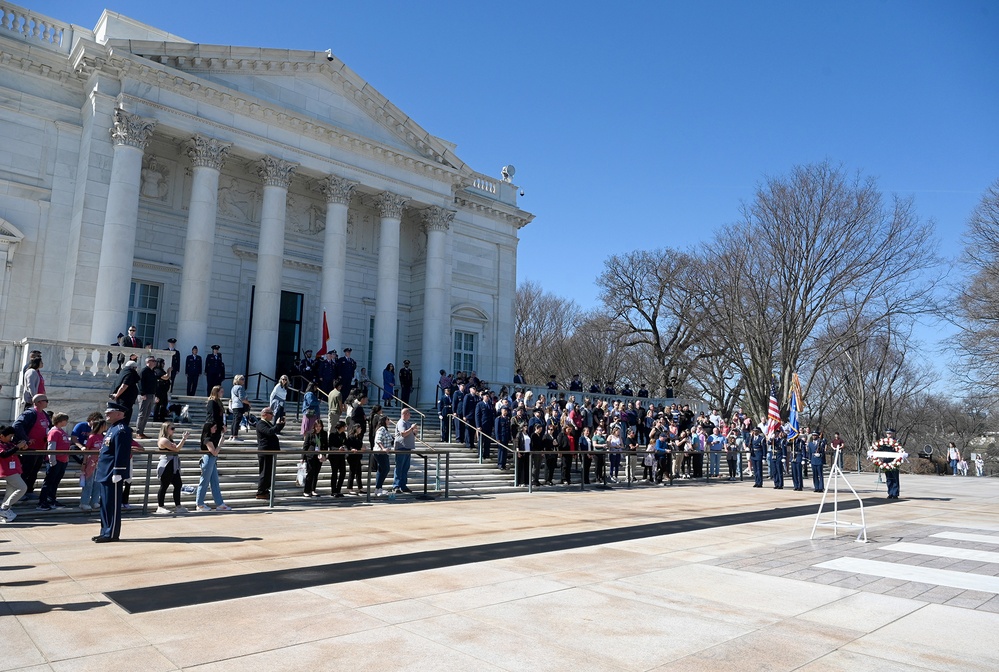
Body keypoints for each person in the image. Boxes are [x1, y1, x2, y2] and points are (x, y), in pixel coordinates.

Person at [93, 401, 132, 542]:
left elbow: (121, 452)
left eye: (110, 412)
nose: (106, 414)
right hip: (105, 471)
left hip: (113, 472)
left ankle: (112, 533)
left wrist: (118, 471)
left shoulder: (122, 430)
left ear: (119, 414)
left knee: (112, 505)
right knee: (105, 504)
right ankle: (105, 530)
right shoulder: (112, 429)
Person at [12, 393, 51, 501]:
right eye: (46, 400)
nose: (47, 402)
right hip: (29, 449)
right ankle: (19, 492)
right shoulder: (30, 413)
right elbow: (17, 425)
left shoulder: (44, 414)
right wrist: (26, 439)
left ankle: (29, 490)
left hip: (40, 448)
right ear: (38, 402)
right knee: (26, 470)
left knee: (34, 471)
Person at [38, 412, 72, 510]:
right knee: (49, 482)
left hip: (63, 460)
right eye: (65, 420)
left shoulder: (62, 431)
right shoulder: (54, 432)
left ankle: (52, 499)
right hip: (56, 460)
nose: (66, 422)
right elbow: (51, 448)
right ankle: (42, 501)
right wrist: (52, 461)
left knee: (55, 482)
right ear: (60, 421)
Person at [154, 422, 190, 515]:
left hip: (173, 464)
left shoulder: (169, 439)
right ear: (166, 429)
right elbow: (176, 449)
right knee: (164, 485)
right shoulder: (163, 440)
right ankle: (160, 506)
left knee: (178, 484)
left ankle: (178, 506)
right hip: (166, 464)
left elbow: (176, 449)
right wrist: (183, 439)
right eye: (172, 428)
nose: (173, 430)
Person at [196, 420, 231, 511]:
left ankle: (219, 504)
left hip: (212, 460)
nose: (216, 429)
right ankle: (199, 504)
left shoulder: (211, 437)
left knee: (215, 482)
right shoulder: (207, 439)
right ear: (209, 428)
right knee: (204, 482)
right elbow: (214, 452)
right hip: (208, 459)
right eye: (214, 427)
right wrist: (220, 444)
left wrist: (223, 433)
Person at [255, 406, 284, 500]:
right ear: (265, 414)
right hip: (265, 451)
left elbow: (275, 430)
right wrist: (277, 426)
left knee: (269, 472)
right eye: (271, 413)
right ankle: (260, 492)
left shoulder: (267, 423)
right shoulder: (261, 424)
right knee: (264, 472)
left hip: (270, 451)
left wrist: (281, 424)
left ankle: (266, 490)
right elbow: (269, 432)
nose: (272, 415)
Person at [79, 418, 106, 512]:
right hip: (91, 462)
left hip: (100, 462)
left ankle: (94, 501)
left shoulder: (104, 437)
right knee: (88, 483)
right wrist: (84, 462)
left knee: (98, 483)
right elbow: (86, 451)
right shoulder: (92, 437)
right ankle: (84, 502)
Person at [0, 425, 25, 522]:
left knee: (9, 493)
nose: (11, 438)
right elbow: (4, 454)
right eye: (10, 436)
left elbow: (15, 449)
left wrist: (23, 446)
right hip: (7, 471)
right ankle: (4, 509)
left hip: (15, 469)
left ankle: (4, 514)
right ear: (2, 436)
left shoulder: (10, 443)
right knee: (22, 488)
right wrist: (17, 447)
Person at [393, 407, 419, 494]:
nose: (410, 415)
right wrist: (411, 429)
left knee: (405, 468)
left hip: (408, 447)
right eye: (408, 413)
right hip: (401, 448)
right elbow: (403, 434)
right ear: (404, 414)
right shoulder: (401, 423)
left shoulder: (408, 423)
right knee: (399, 467)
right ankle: (396, 486)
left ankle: (403, 485)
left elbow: (410, 433)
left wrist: (414, 431)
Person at [302, 418, 327, 498]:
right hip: (311, 455)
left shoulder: (324, 434)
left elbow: (326, 445)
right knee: (310, 473)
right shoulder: (310, 434)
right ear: (314, 427)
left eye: (320, 426)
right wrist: (303, 457)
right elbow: (305, 446)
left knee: (316, 473)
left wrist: (324, 455)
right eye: (317, 426)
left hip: (319, 456)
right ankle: (306, 490)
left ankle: (313, 490)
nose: (318, 428)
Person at [135, 356, 158, 438]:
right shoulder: (144, 371)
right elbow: (140, 382)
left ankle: (142, 431)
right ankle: (138, 432)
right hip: (145, 395)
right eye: (153, 361)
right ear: (148, 362)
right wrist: (142, 393)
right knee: (142, 414)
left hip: (151, 394)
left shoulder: (153, 371)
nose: (155, 362)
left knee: (147, 414)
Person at [372, 415, 393, 496]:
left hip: (384, 453)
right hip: (380, 452)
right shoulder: (382, 429)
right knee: (386, 468)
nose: (389, 421)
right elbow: (378, 440)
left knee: (381, 469)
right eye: (388, 419)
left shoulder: (386, 430)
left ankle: (378, 488)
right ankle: (378, 487)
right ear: (384, 421)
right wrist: (383, 448)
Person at [328, 420, 347, 497]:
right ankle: (334, 490)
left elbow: (345, 443)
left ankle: (338, 489)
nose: (345, 428)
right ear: (341, 427)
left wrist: (344, 447)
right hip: (334, 456)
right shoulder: (332, 435)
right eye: (344, 427)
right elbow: (331, 446)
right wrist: (337, 449)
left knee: (343, 472)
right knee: (334, 473)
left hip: (341, 456)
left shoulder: (343, 435)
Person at [344, 424, 365, 495]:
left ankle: (360, 487)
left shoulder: (358, 437)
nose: (360, 430)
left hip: (357, 456)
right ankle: (350, 488)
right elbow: (347, 445)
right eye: (359, 428)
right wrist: (351, 449)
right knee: (352, 471)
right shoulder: (351, 437)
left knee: (359, 472)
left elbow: (359, 445)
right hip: (352, 456)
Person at [229, 374, 248, 440]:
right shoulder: (240, 387)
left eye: (243, 379)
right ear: (238, 380)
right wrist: (248, 403)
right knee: (237, 421)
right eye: (242, 379)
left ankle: (232, 435)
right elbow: (242, 398)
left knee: (234, 421)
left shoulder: (233, 387)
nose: (244, 380)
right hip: (239, 405)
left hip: (234, 405)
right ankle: (235, 436)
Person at [152, 357, 171, 422]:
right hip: (159, 390)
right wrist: (169, 371)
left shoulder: (161, 370)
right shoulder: (157, 370)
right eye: (162, 363)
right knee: (158, 404)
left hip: (164, 390)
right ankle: (156, 417)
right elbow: (165, 377)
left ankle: (162, 416)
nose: (163, 364)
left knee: (164, 404)